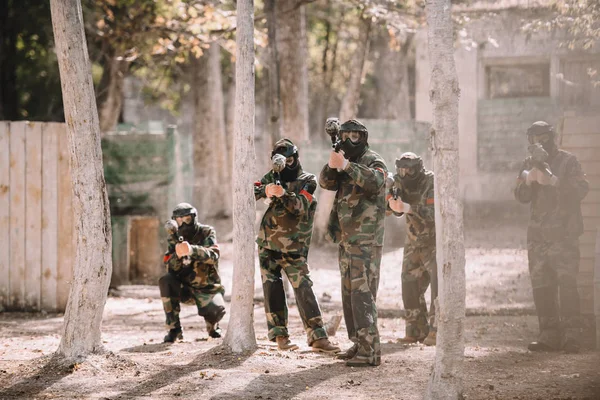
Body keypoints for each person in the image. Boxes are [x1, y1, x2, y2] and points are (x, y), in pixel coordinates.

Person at [254, 138, 340, 353]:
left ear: (296, 158)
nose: (286, 164)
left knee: (304, 289)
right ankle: (280, 336)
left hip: (294, 248)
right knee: (272, 290)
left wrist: (282, 193)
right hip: (267, 244)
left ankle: (318, 337)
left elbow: (299, 207)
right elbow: (252, 190)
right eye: (282, 160)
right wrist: (266, 190)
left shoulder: (307, 180)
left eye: (290, 159)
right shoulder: (272, 177)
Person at [514, 121, 589, 353]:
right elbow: (520, 195)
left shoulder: (568, 161)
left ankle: (572, 335)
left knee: (567, 285)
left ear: (551, 137)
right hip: (538, 237)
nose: (538, 142)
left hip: (564, 235)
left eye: (542, 137)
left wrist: (554, 181)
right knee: (542, 286)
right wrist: (528, 180)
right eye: (534, 138)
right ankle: (548, 334)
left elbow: (580, 190)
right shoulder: (529, 164)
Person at [318, 119, 387, 367]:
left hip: (366, 241)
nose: (349, 141)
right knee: (349, 296)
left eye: (354, 137)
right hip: (347, 241)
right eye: (345, 136)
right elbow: (325, 182)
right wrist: (334, 162)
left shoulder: (373, 161)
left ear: (364, 137)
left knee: (363, 296)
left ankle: (370, 351)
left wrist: (346, 165)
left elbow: (376, 183)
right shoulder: (346, 161)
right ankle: (358, 343)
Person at [386, 152, 437, 346]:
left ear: (418, 168)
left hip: (433, 242)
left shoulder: (430, 182)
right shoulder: (398, 182)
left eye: (409, 169)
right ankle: (415, 330)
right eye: (401, 169)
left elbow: (433, 213)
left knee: (437, 288)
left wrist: (407, 207)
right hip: (413, 242)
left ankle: (436, 330)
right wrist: (390, 200)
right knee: (409, 285)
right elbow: (388, 208)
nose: (405, 174)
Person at [159, 202, 226, 343]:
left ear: (194, 218)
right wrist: (177, 255)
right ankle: (174, 329)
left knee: (217, 311)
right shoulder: (173, 237)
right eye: (179, 220)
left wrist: (192, 250)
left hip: (207, 288)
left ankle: (213, 326)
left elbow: (213, 256)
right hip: (185, 290)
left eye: (187, 219)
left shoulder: (207, 232)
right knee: (166, 280)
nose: (183, 223)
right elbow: (169, 266)